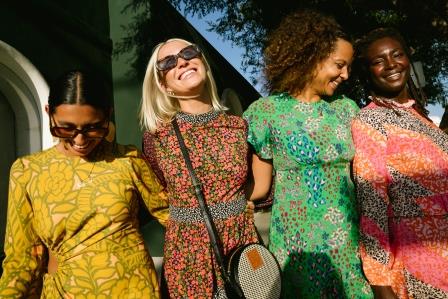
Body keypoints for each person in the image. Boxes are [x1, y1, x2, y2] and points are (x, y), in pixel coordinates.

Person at [0, 70, 169, 298]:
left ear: (108, 115)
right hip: (66, 292)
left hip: (136, 290)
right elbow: (22, 259)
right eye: (66, 128)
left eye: (93, 127)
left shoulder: (127, 159)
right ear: (49, 113)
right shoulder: (27, 172)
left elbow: (174, 216)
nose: (80, 140)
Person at [243, 9, 373, 298]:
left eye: (349, 67)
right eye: (339, 65)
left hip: (348, 241)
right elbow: (260, 185)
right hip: (297, 244)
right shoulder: (266, 112)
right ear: (311, 56)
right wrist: (228, 202)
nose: (346, 75)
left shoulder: (346, 109)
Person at [140, 38, 258, 298]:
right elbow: (156, 192)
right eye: (168, 62)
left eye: (188, 52)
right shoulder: (157, 137)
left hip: (240, 243)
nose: (182, 61)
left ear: (202, 60)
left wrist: (244, 204)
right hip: (189, 255)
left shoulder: (240, 127)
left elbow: (255, 185)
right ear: (163, 84)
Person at [351, 27, 448, 299]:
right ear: (368, 72)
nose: (391, 64)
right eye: (379, 61)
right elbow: (372, 202)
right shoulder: (370, 121)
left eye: (397, 55)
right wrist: (381, 283)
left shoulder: (423, 119)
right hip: (420, 263)